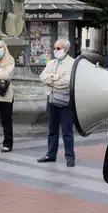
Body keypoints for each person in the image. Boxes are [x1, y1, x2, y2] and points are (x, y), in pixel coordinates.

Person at [38, 39, 77, 167]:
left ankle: (70, 157)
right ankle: (51, 154)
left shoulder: (72, 63)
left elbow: (67, 81)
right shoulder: (52, 63)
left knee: (67, 131)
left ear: (66, 49)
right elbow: (42, 76)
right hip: (51, 99)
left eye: (58, 48)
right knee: (52, 130)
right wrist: (55, 79)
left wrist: (51, 80)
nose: (55, 51)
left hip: (66, 101)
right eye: (54, 48)